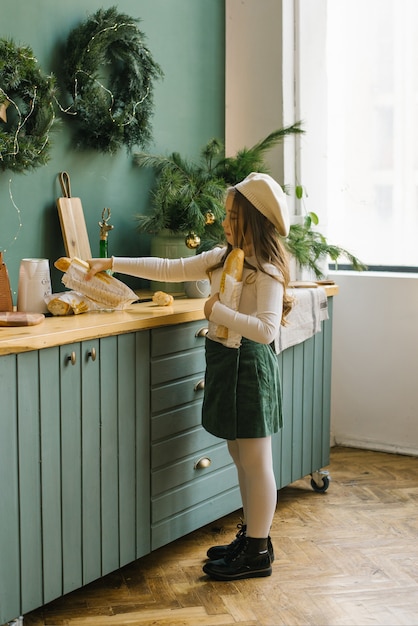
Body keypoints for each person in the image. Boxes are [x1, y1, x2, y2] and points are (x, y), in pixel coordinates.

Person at [86, 172, 293, 581]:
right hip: (224, 362)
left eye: (234, 217)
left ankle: (258, 552)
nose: (227, 222)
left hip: (250, 366)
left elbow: (267, 330)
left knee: (256, 461)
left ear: (253, 220)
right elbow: (169, 267)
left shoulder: (264, 270)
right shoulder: (220, 258)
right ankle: (254, 537)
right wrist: (110, 263)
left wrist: (216, 311)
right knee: (239, 457)